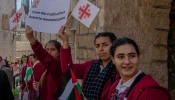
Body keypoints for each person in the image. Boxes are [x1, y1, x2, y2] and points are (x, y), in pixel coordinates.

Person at [58, 26, 120, 100]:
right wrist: (65, 42)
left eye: (105, 45)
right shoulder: (91, 65)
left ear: (114, 46)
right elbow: (68, 70)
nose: (101, 49)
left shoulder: (119, 69)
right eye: (97, 46)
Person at [25, 26, 63, 100]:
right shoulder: (47, 69)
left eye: (53, 49)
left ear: (59, 52)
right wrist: (39, 85)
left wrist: (32, 39)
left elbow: (45, 57)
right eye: (47, 49)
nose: (49, 52)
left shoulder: (59, 64)